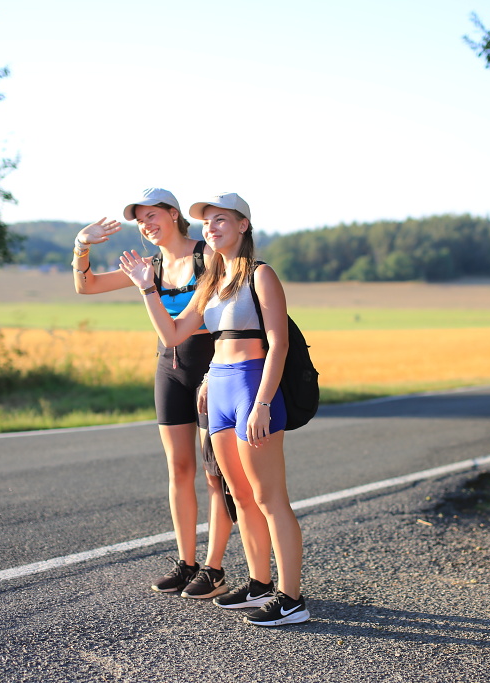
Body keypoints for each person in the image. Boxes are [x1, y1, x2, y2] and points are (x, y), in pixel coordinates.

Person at [119, 192, 310, 627]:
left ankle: (291, 598)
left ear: (243, 225)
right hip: (218, 388)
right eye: (207, 223)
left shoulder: (262, 276)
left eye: (221, 220)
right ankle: (260, 583)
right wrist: (147, 286)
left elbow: (278, 344)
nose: (212, 228)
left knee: (268, 497)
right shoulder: (210, 281)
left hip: (251, 385)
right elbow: (172, 335)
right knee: (238, 495)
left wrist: (263, 402)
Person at [72, 188, 233, 599]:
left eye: (151, 216)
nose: (145, 225)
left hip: (209, 367)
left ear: (173, 214)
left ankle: (214, 569)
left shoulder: (207, 256)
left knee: (216, 475)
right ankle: (187, 563)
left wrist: (146, 288)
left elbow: (192, 322)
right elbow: (86, 287)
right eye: (139, 220)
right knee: (179, 470)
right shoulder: (150, 266)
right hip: (169, 368)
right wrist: (81, 245)